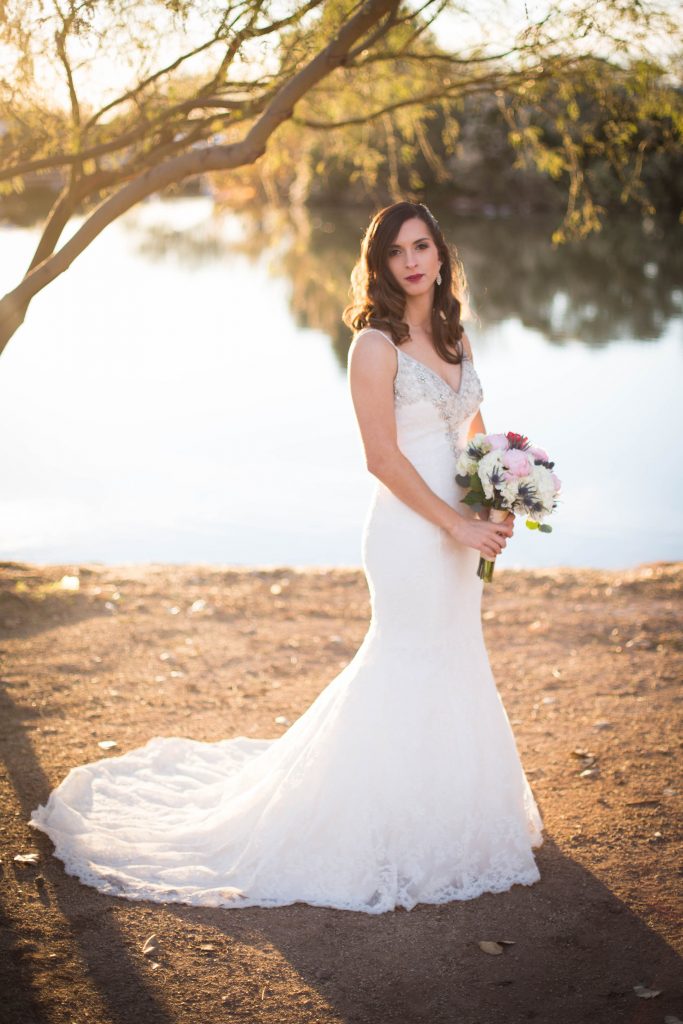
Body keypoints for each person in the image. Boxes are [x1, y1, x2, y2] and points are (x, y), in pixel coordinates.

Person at [28, 200, 544, 914]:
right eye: (396, 252)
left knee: (456, 654)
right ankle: (373, 826)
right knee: (406, 659)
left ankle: (454, 816)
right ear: (380, 264)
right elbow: (380, 457)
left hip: (461, 531)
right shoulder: (374, 347)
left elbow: (474, 435)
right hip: (409, 532)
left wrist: (494, 499)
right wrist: (454, 525)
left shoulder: (456, 339)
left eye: (421, 246)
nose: (411, 261)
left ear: (440, 253)